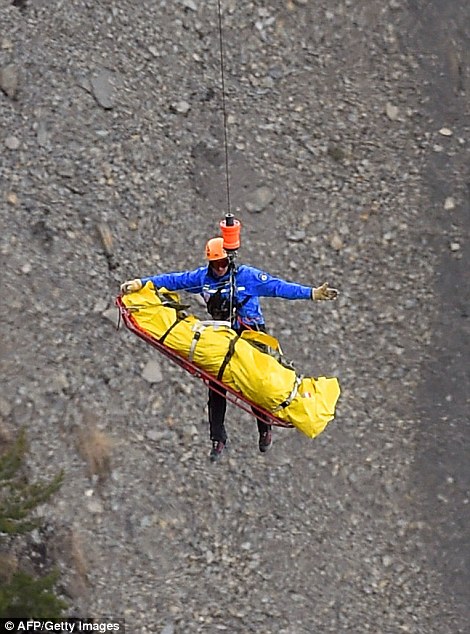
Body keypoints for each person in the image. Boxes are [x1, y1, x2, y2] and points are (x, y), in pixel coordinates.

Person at [120, 237, 338, 462]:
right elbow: (174, 281)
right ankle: (218, 437)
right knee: (216, 385)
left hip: (251, 332)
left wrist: (312, 293)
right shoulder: (203, 279)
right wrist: (141, 283)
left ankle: (264, 429)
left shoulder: (246, 277)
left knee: (258, 382)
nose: (221, 267)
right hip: (223, 337)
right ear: (210, 264)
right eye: (216, 264)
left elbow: (277, 287)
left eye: (224, 262)